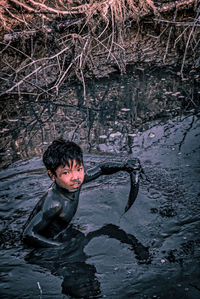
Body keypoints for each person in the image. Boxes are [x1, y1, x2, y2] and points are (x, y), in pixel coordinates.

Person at [23, 138, 141, 248]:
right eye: (66, 172)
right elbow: (28, 234)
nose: (75, 177)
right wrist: (60, 247)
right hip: (45, 245)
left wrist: (124, 166)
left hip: (62, 233)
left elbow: (101, 169)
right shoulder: (54, 203)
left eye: (79, 169)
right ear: (52, 175)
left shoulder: (75, 183)